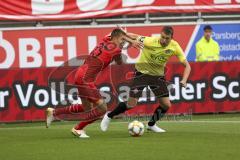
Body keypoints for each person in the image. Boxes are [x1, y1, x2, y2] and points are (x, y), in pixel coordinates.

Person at [45, 28, 142, 138]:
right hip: (85, 79)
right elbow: (119, 62)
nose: (122, 43)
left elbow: (121, 34)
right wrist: (131, 42)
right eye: (122, 40)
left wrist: (133, 39)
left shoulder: (106, 39)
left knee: (87, 107)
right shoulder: (116, 49)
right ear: (116, 38)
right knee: (102, 108)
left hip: (80, 74)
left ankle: (54, 113)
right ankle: (78, 129)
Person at [101, 26, 191, 133]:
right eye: (162, 37)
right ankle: (109, 116)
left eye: (167, 38)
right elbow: (135, 36)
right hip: (141, 74)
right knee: (131, 104)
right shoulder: (150, 41)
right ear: (160, 35)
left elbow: (187, 66)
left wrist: (184, 80)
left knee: (166, 105)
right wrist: (118, 35)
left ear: (172, 38)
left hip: (157, 77)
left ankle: (151, 125)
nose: (164, 40)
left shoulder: (175, 46)